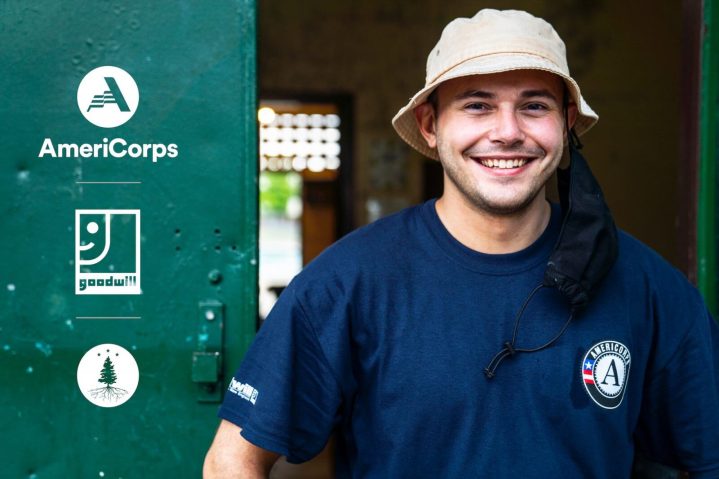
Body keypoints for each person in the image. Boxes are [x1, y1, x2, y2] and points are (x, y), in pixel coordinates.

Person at [204, 9, 719, 478]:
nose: (507, 132)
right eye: (477, 106)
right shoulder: (348, 282)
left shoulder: (649, 289)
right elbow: (233, 460)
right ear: (431, 125)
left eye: (534, 106)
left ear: (565, 125)